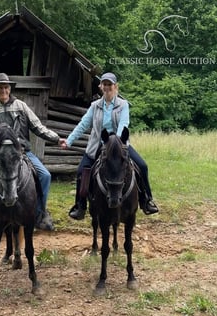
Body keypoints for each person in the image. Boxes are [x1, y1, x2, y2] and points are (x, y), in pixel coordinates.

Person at [0, 73, 66, 233]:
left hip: (22, 152)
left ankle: (40, 215)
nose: (3, 90)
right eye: (0, 87)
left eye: (6, 87)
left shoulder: (21, 106)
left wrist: (56, 139)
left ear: (10, 88)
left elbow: (37, 126)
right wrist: (2, 140)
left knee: (45, 175)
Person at [61, 72, 159, 219]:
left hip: (119, 145)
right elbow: (83, 125)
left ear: (115, 86)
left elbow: (124, 123)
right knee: (82, 171)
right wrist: (69, 141)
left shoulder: (123, 105)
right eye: (104, 84)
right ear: (101, 86)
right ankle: (80, 206)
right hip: (98, 145)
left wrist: (117, 142)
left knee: (142, 166)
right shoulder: (95, 106)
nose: (107, 87)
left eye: (110, 84)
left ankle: (146, 200)